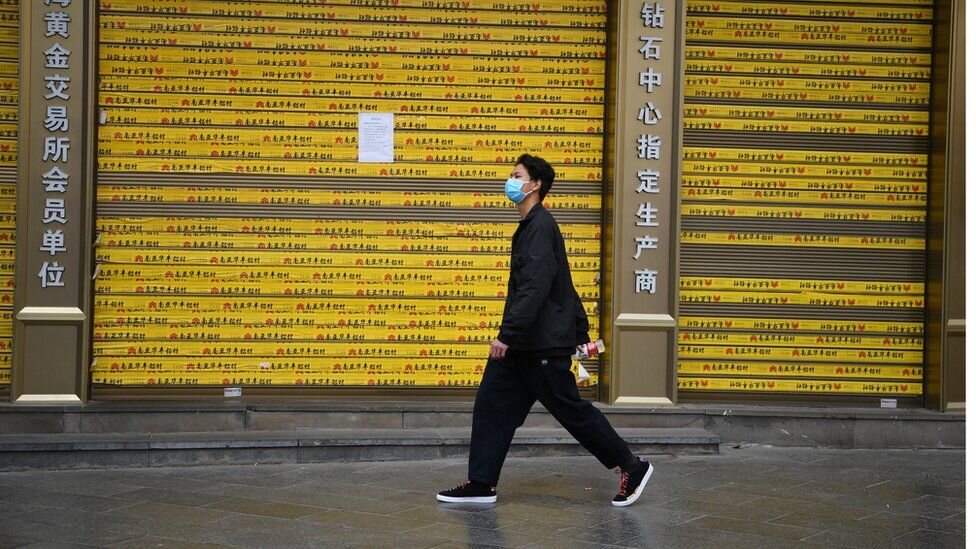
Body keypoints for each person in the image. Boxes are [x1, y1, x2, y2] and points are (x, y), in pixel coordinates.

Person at [436, 154, 652, 507]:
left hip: (536, 348)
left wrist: (507, 334)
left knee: (572, 411)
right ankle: (481, 482)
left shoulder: (539, 227)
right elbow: (563, 285)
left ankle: (632, 466)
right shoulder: (533, 226)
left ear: (535, 185)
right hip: (525, 348)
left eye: (516, 175)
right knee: (492, 406)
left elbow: (535, 287)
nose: (509, 181)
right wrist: (580, 329)